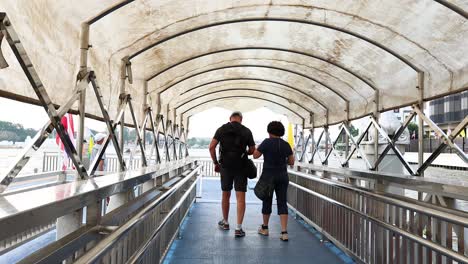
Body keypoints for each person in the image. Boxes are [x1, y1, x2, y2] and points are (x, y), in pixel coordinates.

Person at [209, 111, 255, 238]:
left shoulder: (222, 129)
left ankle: (225, 222)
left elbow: (211, 147)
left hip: (225, 166)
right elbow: (252, 150)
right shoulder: (246, 131)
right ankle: (239, 228)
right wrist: (244, 151)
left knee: (226, 194)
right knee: (241, 197)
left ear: (230, 119)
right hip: (241, 166)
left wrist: (215, 162)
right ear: (241, 119)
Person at [253, 121, 294, 241]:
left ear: (269, 131)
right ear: (281, 132)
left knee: (267, 201)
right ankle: (284, 232)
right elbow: (291, 162)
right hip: (282, 176)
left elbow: (255, 155)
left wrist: (259, 147)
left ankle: (265, 229)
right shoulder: (286, 144)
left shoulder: (266, 142)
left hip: (268, 176)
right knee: (282, 202)